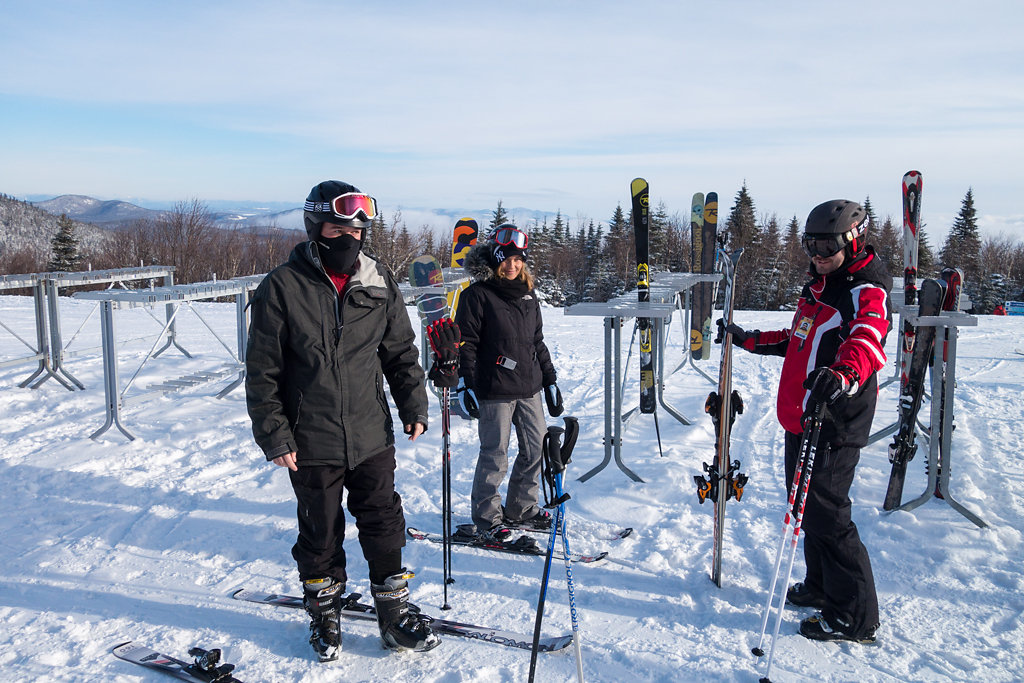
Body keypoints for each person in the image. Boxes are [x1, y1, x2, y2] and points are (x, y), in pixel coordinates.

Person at [245, 180, 439, 661]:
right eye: (336, 228)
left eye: (356, 229)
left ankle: (393, 613)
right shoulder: (281, 288)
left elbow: (400, 353)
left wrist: (413, 403)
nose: (348, 238)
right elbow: (262, 372)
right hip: (310, 438)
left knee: (384, 521)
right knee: (320, 531)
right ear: (315, 228)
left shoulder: (378, 282)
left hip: (371, 432)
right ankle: (324, 611)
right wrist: (274, 434)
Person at [722, 199, 891, 644]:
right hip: (802, 416)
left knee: (828, 513)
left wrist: (843, 373)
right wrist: (751, 340)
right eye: (810, 245)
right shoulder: (819, 285)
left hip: (835, 418)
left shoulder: (864, 288)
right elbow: (796, 338)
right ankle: (821, 584)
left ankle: (854, 615)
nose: (817, 254)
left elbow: (868, 337)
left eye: (827, 246)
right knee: (805, 506)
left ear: (852, 241)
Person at [454, 224, 563, 541]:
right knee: (495, 454)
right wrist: (465, 383)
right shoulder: (477, 296)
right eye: (507, 259)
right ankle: (487, 518)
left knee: (535, 449)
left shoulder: (528, 296)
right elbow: (466, 344)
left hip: (529, 388)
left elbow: (537, 342)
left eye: (518, 260)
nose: (512, 265)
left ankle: (521, 509)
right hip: (494, 389)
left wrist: (551, 380)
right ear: (495, 258)